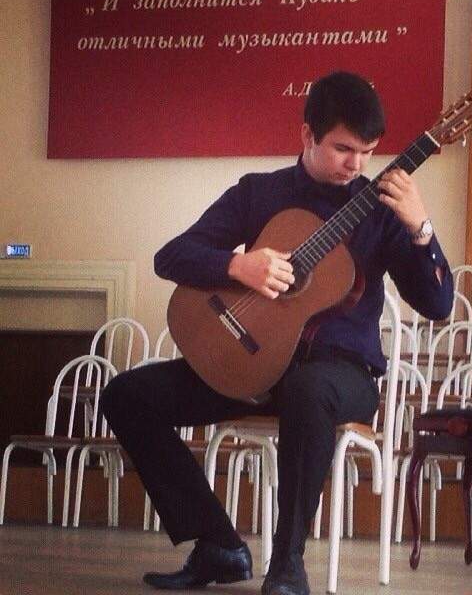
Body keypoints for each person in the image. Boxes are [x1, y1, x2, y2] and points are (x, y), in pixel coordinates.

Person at [101, 70, 453, 594]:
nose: (357, 165)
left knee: (308, 390)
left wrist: (421, 228)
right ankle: (218, 544)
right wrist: (237, 266)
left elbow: (437, 305)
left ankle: (287, 565)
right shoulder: (258, 193)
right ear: (307, 133)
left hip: (341, 375)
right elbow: (170, 256)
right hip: (254, 363)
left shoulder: (382, 213)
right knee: (127, 395)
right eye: (343, 149)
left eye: (367, 151)